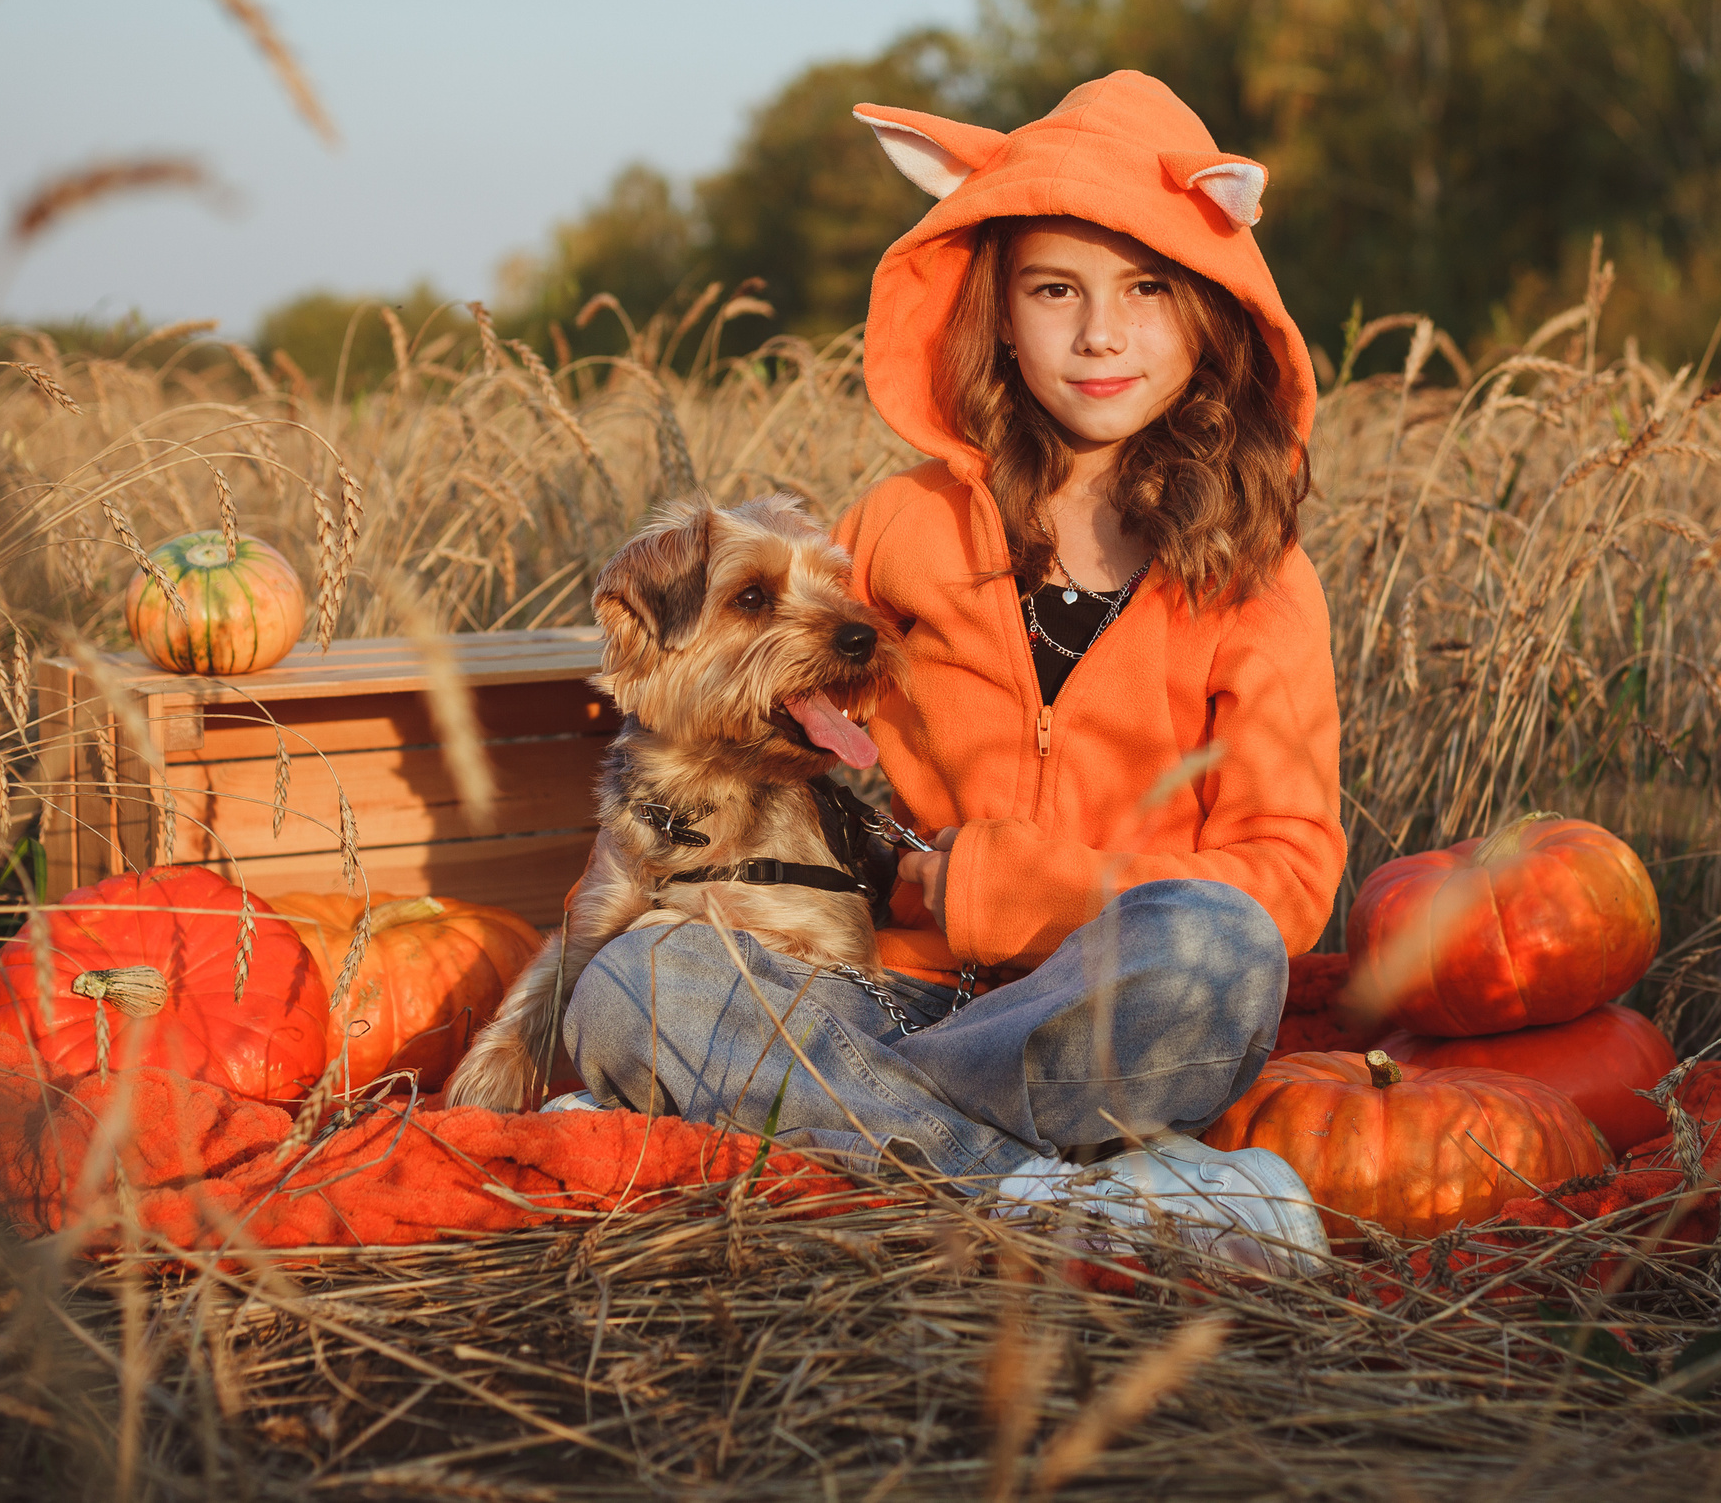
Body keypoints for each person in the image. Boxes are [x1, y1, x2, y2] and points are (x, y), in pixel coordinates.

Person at [557, 71, 1345, 1272]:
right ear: (996, 310)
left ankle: (811, 1125)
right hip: (884, 996)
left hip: (1104, 1006)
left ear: (1210, 312)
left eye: (1146, 290)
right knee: (636, 982)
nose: (1098, 334)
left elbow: (1284, 882)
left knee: (1218, 949)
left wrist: (983, 889)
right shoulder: (894, 530)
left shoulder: (1257, 576)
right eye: (1053, 290)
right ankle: (1056, 1197)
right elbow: (738, 698)